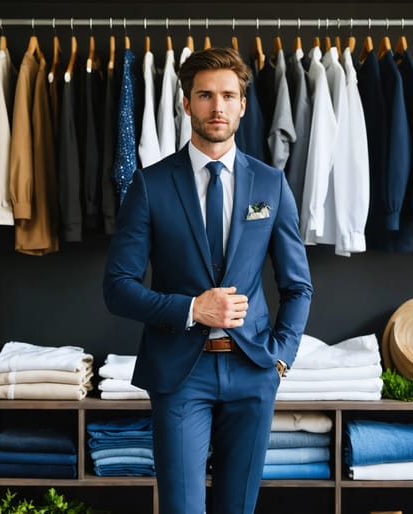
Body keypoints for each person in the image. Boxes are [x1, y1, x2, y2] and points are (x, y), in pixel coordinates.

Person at [103, 47, 313, 514]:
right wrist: (193, 309)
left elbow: (297, 285)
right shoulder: (149, 184)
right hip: (181, 374)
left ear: (241, 104)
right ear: (186, 104)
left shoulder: (270, 184)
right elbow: (117, 287)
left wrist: (280, 359)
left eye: (227, 95)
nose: (217, 106)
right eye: (205, 95)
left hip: (253, 368)